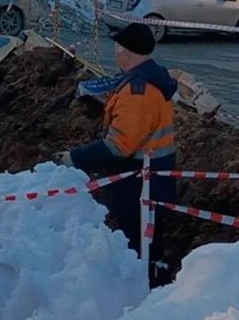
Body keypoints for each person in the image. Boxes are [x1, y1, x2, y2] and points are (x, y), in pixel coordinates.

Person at [52, 23, 178, 288]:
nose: (115, 53)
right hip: (149, 185)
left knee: (139, 252)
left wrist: (73, 159)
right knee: (148, 246)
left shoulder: (138, 91)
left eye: (117, 48)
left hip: (139, 188)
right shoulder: (143, 81)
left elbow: (119, 146)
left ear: (126, 51)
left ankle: (145, 297)